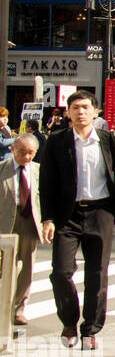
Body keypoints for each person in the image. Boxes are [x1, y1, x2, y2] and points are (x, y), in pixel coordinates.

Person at [38, 91, 115, 350]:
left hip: (100, 212)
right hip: (66, 215)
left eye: (85, 107)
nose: (80, 112)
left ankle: (90, 329)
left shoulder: (110, 139)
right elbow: (46, 183)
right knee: (60, 272)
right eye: (74, 108)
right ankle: (69, 321)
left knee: (97, 274)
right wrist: (47, 218)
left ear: (95, 112)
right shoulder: (57, 142)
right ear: (68, 113)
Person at [0, 135, 47, 328]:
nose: (26, 157)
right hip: (5, 221)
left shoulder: (38, 171)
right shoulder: (2, 169)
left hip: (29, 220)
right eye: (22, 152)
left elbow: (44, 199)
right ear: (12, 149)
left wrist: (47, 222)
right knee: (4, 268)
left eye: (30, 153)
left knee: (26, 267)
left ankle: (18, 310)